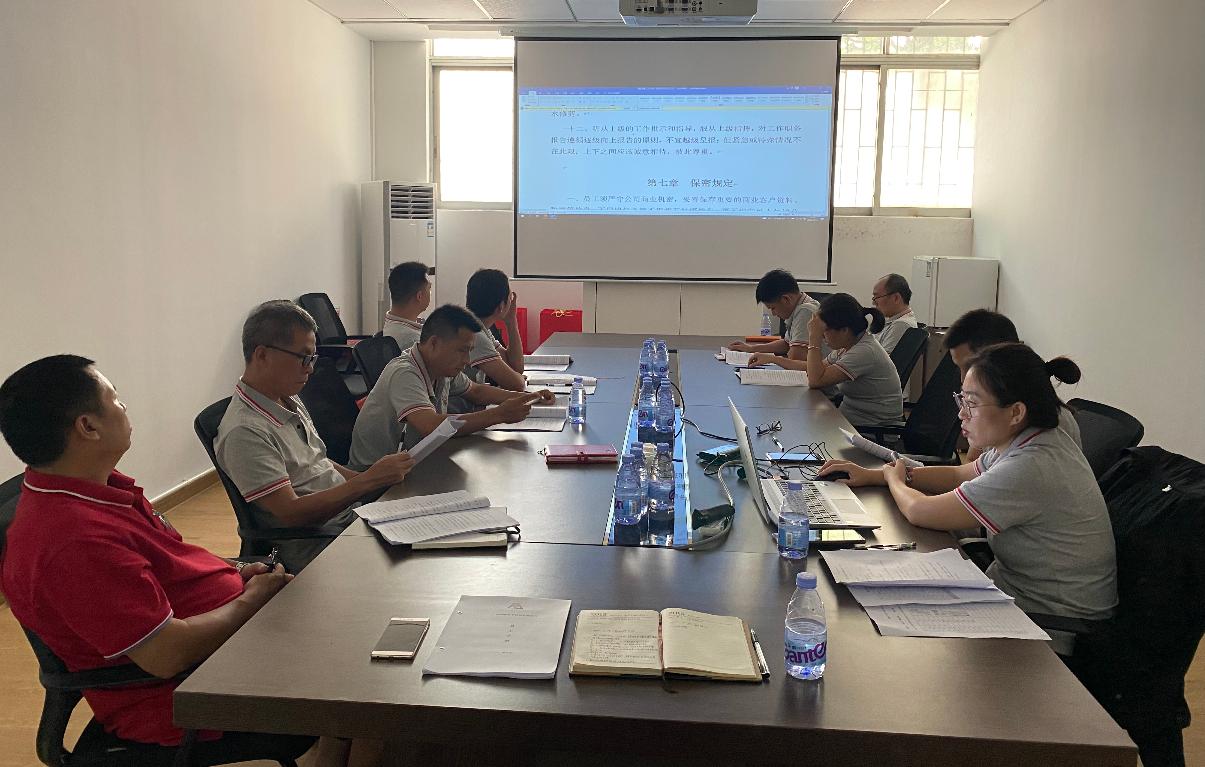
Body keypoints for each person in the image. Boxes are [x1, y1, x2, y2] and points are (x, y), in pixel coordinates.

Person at [0, 355, 368, 765]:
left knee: (364, 635)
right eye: (115, 400)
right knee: (368, 674)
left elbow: (166, 562)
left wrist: (237, 572)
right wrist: (253, 600)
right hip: (187, 692)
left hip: (227, 640)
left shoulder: (96, 489)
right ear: (87, 427)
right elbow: (166, 654)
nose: (124, 407)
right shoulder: (73, 541)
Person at [817, 343, 1117, 630]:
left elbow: (921, 511)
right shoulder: (1029, 438)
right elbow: (960, 474)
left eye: (972, 403)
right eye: (962, 400)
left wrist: (893, 479)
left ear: (1016, 412)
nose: (961, 413)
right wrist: (876, 475)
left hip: (1051, 620)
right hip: (1014, 591)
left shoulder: (1033, 465)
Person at [215, 301, 415, 572]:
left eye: (313, 358)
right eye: (303, 357)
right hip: (320, 545)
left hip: (349, 519)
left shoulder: (286, 397)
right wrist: (367, 481)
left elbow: (318, 462)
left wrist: (376, 481)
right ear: (262, 355)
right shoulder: (245, 431)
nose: (310, 368)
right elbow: (292, 514)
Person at [349, 304, 554, 470]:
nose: (467, 360)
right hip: (374, 481)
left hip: (414, 465)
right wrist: (499, 414)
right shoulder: (405, 372)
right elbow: (430, 425)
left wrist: (527, 397)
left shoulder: (441, 368)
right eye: (462, 351)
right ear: (434, 344)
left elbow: (476, 391)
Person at [945, 308, 1081, 458]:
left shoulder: (1040, 421)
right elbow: (974, 458)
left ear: (1000, 358)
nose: (963, 379)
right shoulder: (1001, 406)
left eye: (969, 367)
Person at [788, 293, 903, 427]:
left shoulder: (863, 351)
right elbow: (815, 369)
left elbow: (815, 381)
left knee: (797, 425)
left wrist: (814, 337)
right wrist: (774, 359)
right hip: (848, 420)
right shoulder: (849, 345)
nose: (823, 336)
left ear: (844, 330)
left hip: (870, 430)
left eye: (825, 330)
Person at [727, 268, 821, 362]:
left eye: (773, 308)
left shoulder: (806, 311)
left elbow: (796, 357)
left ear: (786, 299)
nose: (773, 313)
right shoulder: (799, 307)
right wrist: (751, 349)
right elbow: (786, 344)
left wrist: (771, 359)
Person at [461, 268, 526, 393]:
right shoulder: (474, 334)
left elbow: (516, 367)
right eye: (510, 298)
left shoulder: (479, 326)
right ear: (501, 306)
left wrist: (511, 321)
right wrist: (519, 379)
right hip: (460, 405)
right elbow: (516, 385)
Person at [381, 261, 431, 351]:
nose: (430, 293)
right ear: (419, 296)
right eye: (429, 288)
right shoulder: (414, 342)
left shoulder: (391, 326)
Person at [869, 273, 918, 355]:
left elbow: (881, 360)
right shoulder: (894, 321)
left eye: (876, 297)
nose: (873, 303)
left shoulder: (901, 325)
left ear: (896, 298)